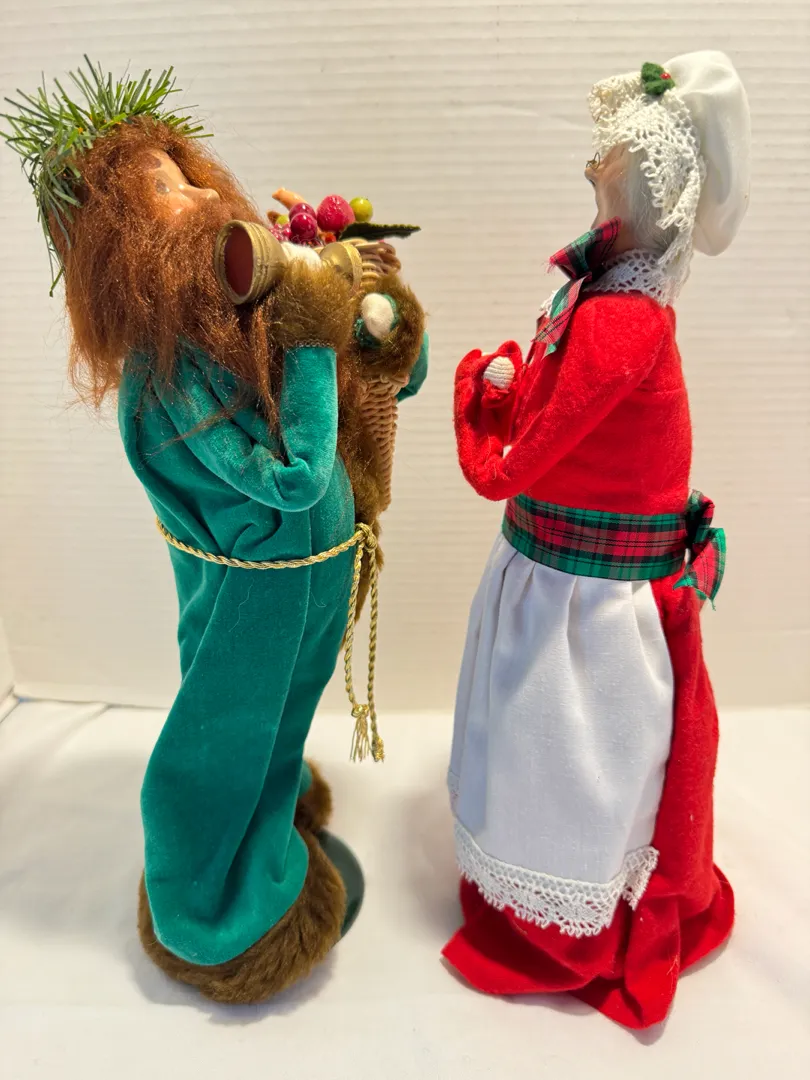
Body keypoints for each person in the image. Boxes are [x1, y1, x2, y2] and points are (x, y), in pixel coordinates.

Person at [3, 60, 427, 1003]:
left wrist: (372, 306)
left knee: (282, 718)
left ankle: (272, 820)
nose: (201, 197)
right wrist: (312, 330)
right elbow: (291, 478)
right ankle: (212, 912)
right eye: (165, 192)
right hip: (256, 597)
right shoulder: (164, 383)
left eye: (190, 175)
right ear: (118, 248)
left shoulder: (234, 318)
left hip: (313, 577)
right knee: (224, 734)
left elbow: (387, 382)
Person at [447, 52, 750, 1029]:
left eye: (610, 165)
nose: (590, 170)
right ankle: (547, 894)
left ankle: (561, 926)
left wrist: (478, 397)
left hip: (585, 605)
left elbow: (512, 466)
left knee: (566, 752)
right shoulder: (611, 298)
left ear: (654, 197)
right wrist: (518, 383)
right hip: (565, 582)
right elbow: (554, 410)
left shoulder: (620, 322)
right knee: (557, 750)